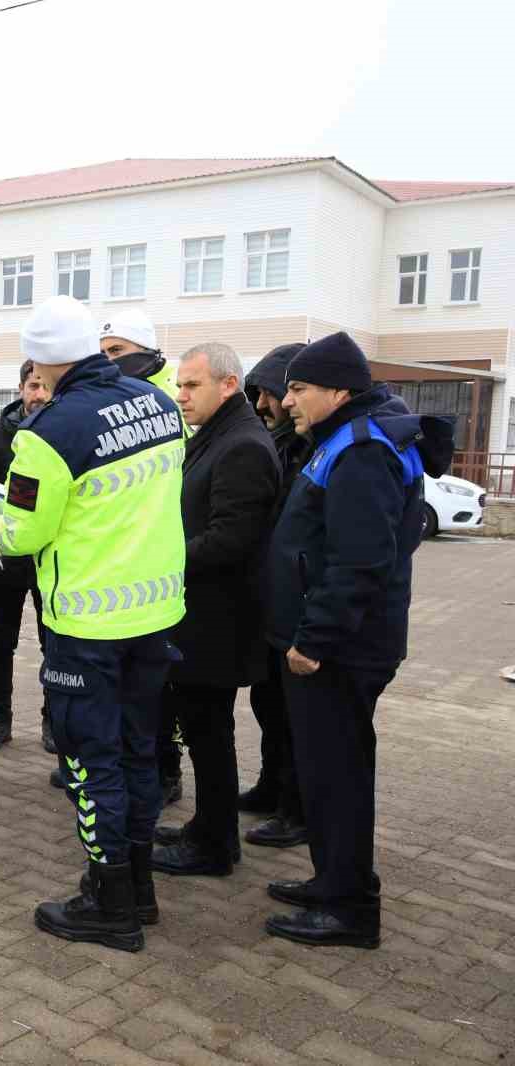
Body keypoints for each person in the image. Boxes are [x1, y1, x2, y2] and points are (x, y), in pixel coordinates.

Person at [0, 296, 186, 953]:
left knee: (92, 764)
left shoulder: (48, 432)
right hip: (156, 615)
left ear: (39, 360)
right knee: (139, 752)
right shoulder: (159, 404)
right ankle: (140, 889)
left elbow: (24, 531)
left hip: (88, 625)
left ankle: (110, 903)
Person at [262, 332, 452, 949]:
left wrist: (314, 640)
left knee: (337, 776)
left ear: (339, 391)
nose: (289, 401)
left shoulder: (363, 451)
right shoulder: (344, 438)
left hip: (340, 650)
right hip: (339, 641)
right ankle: (334, 881)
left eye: (299, 388)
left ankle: (348, 910)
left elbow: (361, 561)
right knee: (328, 773)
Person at [149, 343, 279, 878]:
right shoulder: (217, 435)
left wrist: (160, 561)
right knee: (203, 730)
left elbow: (231, 539)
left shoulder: (243, 444)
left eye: (191, 385)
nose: (180, 396)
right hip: (200, 615)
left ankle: (215, 844)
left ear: (228, 385)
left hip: (217, 621)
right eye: (178, 385)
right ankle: (207, 828)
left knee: (209, 733)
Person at [96, 307, 186, 805]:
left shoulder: (171, 396)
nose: (109, 360)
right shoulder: (116, 394)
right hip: (123, 565)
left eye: (118, 351)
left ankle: (165, 773)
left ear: (146, 350)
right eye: (103, 352)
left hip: (163, 563)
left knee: (160, 690)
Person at [237, 343, 311, 848]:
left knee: (294, 713)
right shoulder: (281, 443)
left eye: (270, 393)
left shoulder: (310, 447)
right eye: (259, 395)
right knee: (268, 700)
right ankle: (272, 785)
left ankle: (296, 808)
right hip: (272, 600)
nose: (264, 405)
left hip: (298, 607)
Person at [0, 359, 52, 754]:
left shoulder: (63, 431)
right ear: (21, 388)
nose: (39, 394)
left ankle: (52, 721)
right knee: (1, 641)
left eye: (45, 385)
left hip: (49, 558)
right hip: (5, 558)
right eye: (32, 386)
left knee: (52, 643)